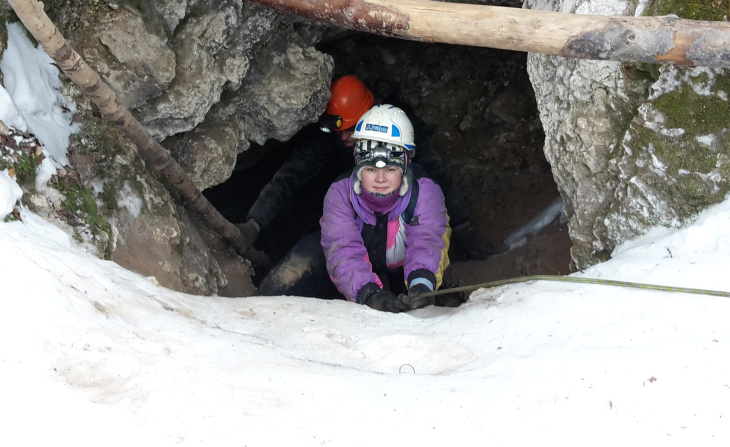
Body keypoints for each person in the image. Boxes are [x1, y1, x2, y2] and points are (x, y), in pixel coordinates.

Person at [237, 75, 494, 268]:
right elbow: (289, 176)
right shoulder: (331, 139)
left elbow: (436, 170)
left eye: (352, 128)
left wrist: (462, 225)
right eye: (340, 130)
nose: (346, 137)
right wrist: (254, 222)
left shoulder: (398, 127)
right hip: (352, 209)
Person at [320, 105, 451, 312]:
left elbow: (427, 239)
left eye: (390, 169)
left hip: (404, 270)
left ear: (405, 165)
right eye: (371, 169)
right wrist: (370, 295)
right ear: (357, 165)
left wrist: (422, 286)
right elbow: (343, 248)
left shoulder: (424, 191)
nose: (381, 179)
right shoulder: (340, 194)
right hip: (358, 273)